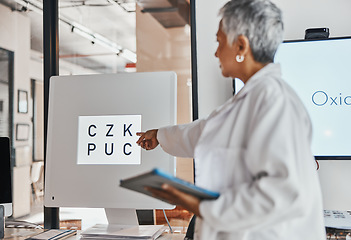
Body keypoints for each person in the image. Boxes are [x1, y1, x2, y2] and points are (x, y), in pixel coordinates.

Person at [136, 0, 326, 239]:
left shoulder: (274, 101)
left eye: (219, 41)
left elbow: (280, 194)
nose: (216, 52)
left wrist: (197, 203)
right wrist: (160, 135)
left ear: (241, 45)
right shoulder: (249, 100)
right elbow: (206, 132)